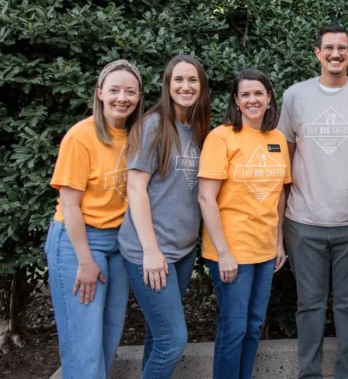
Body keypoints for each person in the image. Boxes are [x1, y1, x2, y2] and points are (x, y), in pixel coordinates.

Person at [277, 24, 348, 378]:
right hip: (304, 221)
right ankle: (309, 374)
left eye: (342, 48)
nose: (335, 54)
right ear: (317, 53)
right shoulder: (295, 96)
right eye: (328, 48)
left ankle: (346, 374)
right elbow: (285, 159)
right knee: (309, 306)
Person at [45, 59, 144, 379]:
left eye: (130, 91)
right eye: (114, 90)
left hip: (118, 242)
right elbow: (70, 205)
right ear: (99, 93)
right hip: (79, 241)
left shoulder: (137, 136)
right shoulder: (81, 136)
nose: (122, 98)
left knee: (109, 336)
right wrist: (85, 261)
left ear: (139, 97)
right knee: (84, 344)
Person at [118, 55, 211, 379]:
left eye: (192, 80)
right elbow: (136, 189)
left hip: (182, 252)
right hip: (151, 252)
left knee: (158, 336)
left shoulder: (198, 128)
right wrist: (151, 251)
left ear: (202, 86)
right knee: (173, 340)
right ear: (167, 85)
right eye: (178, 80)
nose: (186, 86)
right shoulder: (154, 125)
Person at [198, 68, 291, 379]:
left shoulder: (277, 139)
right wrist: (224, 253)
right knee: (233, 328)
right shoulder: (221, 137)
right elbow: (206, 198)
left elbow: (279, 194)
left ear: (269, 98)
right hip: (231, 251)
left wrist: (279, 242)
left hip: (265, 251)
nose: (253, 100)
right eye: (246, 94)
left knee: (253, 326)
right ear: (236, 101)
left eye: (258, 93)